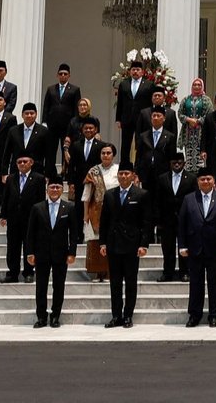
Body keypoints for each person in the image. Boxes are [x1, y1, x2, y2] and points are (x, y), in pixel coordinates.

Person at [178, 169, 216, 328]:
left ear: (214, 181)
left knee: (215, 283)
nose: (205, 181)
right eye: (202, 179)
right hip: (194, 247)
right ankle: (194, 315)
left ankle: (214, 315)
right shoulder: (189, 199)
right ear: (197, 182)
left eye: (208, 178)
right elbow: (182, 223)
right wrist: (182, 245)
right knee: (195, 283)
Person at [99, 159, 152, 328]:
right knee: (115, 283)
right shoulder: (110, 195)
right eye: (121, 173)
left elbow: (146, 222)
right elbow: (104, 221)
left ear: (132, 175)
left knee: (130, 282)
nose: (123, 176)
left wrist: (144, 244)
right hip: (113, 244)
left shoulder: (141, 194)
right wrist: (102, 243)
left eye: (126, 173)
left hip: (132, 245)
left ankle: (128, 315)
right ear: (117, 175)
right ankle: (116, 316)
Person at [25, 177, 81, 328]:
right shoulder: (37, 208)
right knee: (41, 287)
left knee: (59, 286)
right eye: (52, 187)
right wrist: (30, 253)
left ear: (62, 189)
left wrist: (72, 252)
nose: (55, 190)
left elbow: (74, 233)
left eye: (58, 187)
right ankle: (41, 317)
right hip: (41, 253)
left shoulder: (69, 207)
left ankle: (55, 315)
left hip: (61, 254)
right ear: (47, 189)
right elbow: (30, 233)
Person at [0, 155, 45, 283]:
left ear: (31, 163)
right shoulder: (11, 178)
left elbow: (41, 200)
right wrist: (3, 215)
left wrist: (40, 218)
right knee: (12, 246)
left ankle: (29, 272)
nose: (22, 164)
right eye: (19, 162)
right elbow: (6, 198)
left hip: (30, 219)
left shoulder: (39, 178)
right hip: (13, 218)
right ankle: (12, 273)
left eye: (25, 161)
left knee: (29, 246)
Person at [154, 152, 197, 282]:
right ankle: (168, 272)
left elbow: (194, 199)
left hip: (186, 219)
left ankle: (185, 272)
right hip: (167, 219)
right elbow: (157, 200)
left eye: (179, 162)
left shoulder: (191, 178)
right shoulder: (162, 178)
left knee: (185, 246)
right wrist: (158, 219)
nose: (177, 164)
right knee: (167, 247)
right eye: (174, 162)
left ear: (184, 163)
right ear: (170, 163)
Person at [80, 142, 120, 281]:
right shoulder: (93, 171)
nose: (105, 155)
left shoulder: (118, 170)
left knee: (111, 240)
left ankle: (109, 271)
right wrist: (85, 214)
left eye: (108, 153)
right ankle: (98, 271)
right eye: (103, 153)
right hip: (96, 211)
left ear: (113, 155)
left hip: (114, 211)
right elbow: (86, 195)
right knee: (96, 241)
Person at [115, 60, 154, 167]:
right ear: (130, 71)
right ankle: (124, 166)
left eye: (138, 70)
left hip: (142, 119)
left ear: (142, 72)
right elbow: (120, 102)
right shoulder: (124, 84)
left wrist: (150, 118)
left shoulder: (149, 85)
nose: (135, 72)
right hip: (127, 118)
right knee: (125, 143)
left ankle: (139, 166)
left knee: (140, 143)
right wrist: (118, 119)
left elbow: (151, 103)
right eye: (133, 70)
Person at [42, 63, 81, 162]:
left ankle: (65, 170)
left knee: (66, 150)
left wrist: (75, 123)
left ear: (69, 75)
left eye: (65, 74)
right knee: (51, 150)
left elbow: (76, 108)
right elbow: (46, 106)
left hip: (67, 125)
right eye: (61, 74)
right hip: (52, 125)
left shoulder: (75, 89)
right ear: (57, 75)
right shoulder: (51, 89)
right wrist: (44, 122)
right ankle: (50, 171)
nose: (63, 75)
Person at [6, 102, 55, 179]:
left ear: (36, 114)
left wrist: (47, 175)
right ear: (22, 115)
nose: (29, 115)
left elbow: (49, 155)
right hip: (16, 171)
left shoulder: (44, 131)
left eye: (32, 113)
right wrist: (4, 173)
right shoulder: (13, 131)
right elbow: (7, 153)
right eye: (26, 113)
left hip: (37, 171)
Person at [134, 108, 177, 187]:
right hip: (146, 174)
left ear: (164, 118)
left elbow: (172, 156)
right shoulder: (144, 136)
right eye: (154, 116)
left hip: (163, 173)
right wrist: (136, 173)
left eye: (158, 116)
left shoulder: (170, 136)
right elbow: (138, 156)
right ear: (151, 118)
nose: (156, 118)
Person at [63, 116, 101, 204]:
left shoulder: (101, 146)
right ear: (82, 130)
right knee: (79, 207)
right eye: (86, 128)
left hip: (94, 182)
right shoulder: (76, 145)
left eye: (91, 128)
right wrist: (71, 183)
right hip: (79, 182)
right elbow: (71, 165)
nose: (88, 130)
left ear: (95, 130)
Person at [177, 78, 212, 163]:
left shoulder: (206, 100)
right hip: (188, 134)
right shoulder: (186, 99)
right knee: (189, 159)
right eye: (194, 85)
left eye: (199, 85)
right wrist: (189, 119)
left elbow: (210, 114)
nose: (196, 86)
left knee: (201, 160)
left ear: (202, 86)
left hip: (202, 134)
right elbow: (180, 113)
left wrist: (198, 121)